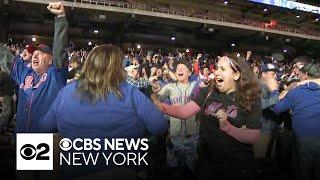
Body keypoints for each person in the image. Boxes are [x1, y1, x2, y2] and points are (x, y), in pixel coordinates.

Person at [40, 44, 168, 178]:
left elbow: (45, 126)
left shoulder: (66, 92)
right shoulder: (130, 93)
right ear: (118, 67)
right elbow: (159, 126)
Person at [153, 54, 262, 179]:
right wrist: (161, 107)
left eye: (223, 69)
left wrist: (228, 128)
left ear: (236, 75)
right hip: (208, 163)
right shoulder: (208, 92)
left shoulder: (249, 97)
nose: (216, 72)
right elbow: (184, 112)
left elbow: (253, 136)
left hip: (236, 166)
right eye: (216, 68)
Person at [0, 2, 68, 133]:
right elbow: (4, 56)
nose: (34, 56)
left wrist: (60, 20)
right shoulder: (25, 73)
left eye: (40, 53)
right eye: (34, 54)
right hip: (21, 138)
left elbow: (60, 49)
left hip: (43, 141)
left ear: (50, 60)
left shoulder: (56, 74)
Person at [271, 62, 320, 180]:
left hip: (304, 140)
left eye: (301, 74)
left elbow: (276, 108)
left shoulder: (297, 91)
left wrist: (276, 91)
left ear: (306, 75)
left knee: (303, 171)